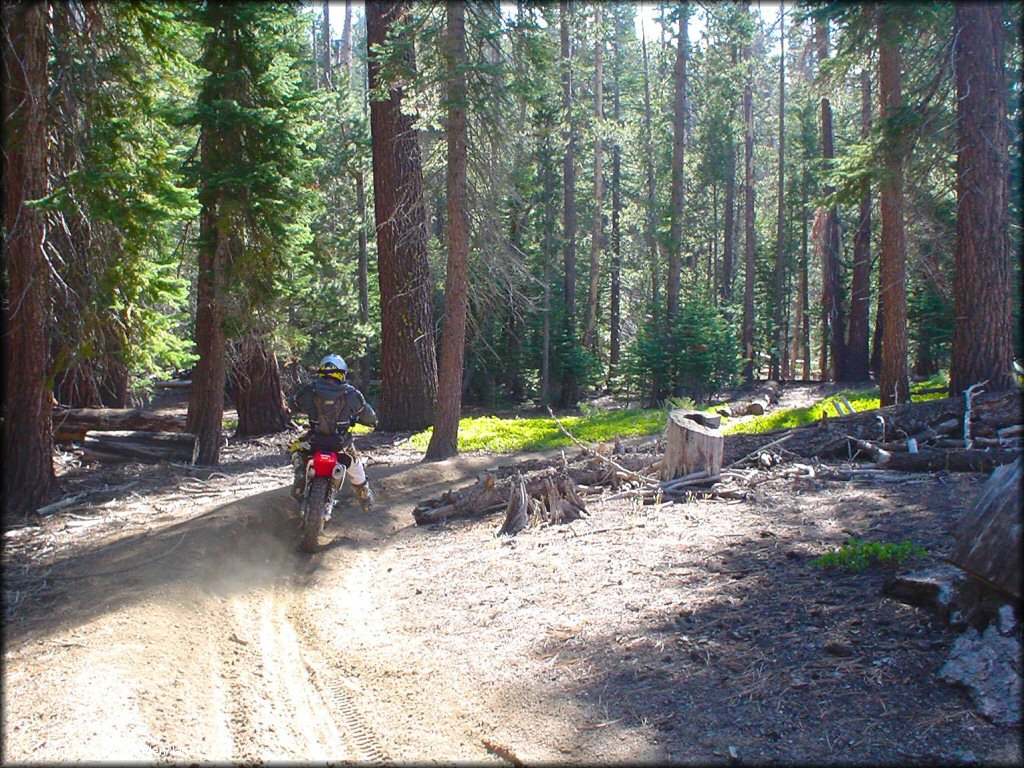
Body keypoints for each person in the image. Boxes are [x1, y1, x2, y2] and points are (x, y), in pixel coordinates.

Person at [288, 354, 377, 513]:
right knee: (356, 467)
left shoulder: (310, 390)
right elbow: (369, 415)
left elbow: (293, 404)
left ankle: (301, 472)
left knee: (295, 448)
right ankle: (365, 498)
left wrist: (304, 409)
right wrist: (370, 421)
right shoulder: (352, 394)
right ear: (342, 372)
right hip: (340, 444)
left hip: (314, 441)